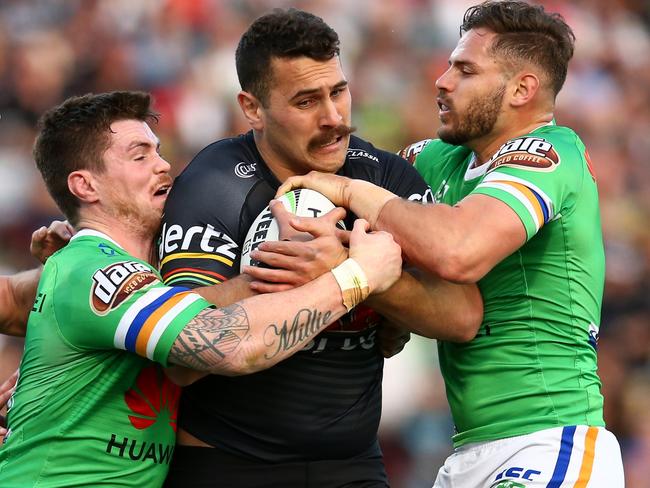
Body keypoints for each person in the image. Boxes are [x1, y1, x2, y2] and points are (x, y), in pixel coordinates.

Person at [277, 1, 625, 486]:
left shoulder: (551, 153)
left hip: (551, 437)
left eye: (464, 69)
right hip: (467, 450)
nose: (442, 81)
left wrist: (354, 191)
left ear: (522, 89)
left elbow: (457, 250)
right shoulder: (436, 160)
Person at [0, 91, 404, 487]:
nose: (163, 166)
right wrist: (357, 276)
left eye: (159, 151)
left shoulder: (117, 269)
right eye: (140, 156)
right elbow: (230, 345)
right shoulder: (90, 267)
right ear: (85, 187)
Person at [158, 8, 483, 488]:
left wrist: (361, 277)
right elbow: (179, 356)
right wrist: (284, 274)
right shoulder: (216, 182)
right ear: (252, 108)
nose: (334, 118)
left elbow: (463, 316)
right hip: (228, 465)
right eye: (307, 101)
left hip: (352, 467)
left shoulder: (382, 176)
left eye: (338, 91)